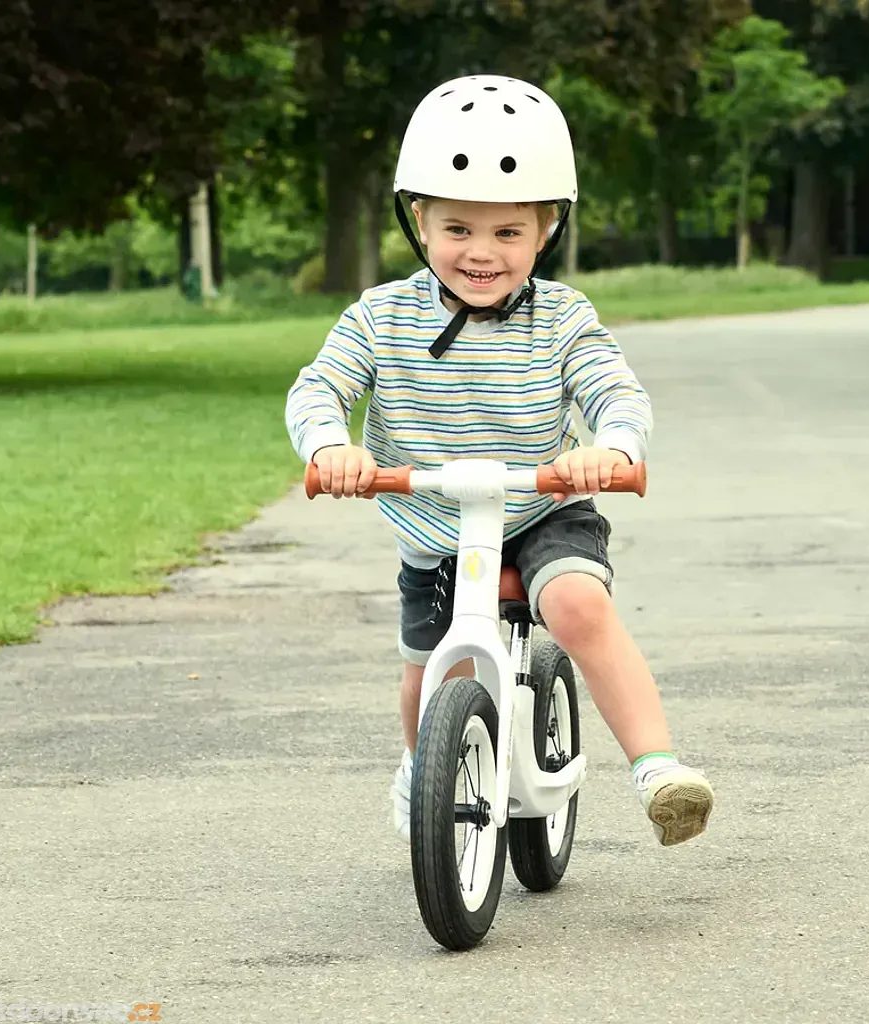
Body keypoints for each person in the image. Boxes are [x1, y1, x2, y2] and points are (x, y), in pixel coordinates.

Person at [285, 75, 714, 849]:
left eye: (508, 232)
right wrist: (329, 446)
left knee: (578, 606)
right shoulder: (381, 316)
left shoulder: (563, 317)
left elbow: (615, 390)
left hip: (545, 506)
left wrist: (613, 448)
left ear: (545, 230)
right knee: (429, 672)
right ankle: (422, 766)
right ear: (418, 220)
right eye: (457, 228)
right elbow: (320, 387)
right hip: (434, 523)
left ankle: (658, 770)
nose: (481, 252)